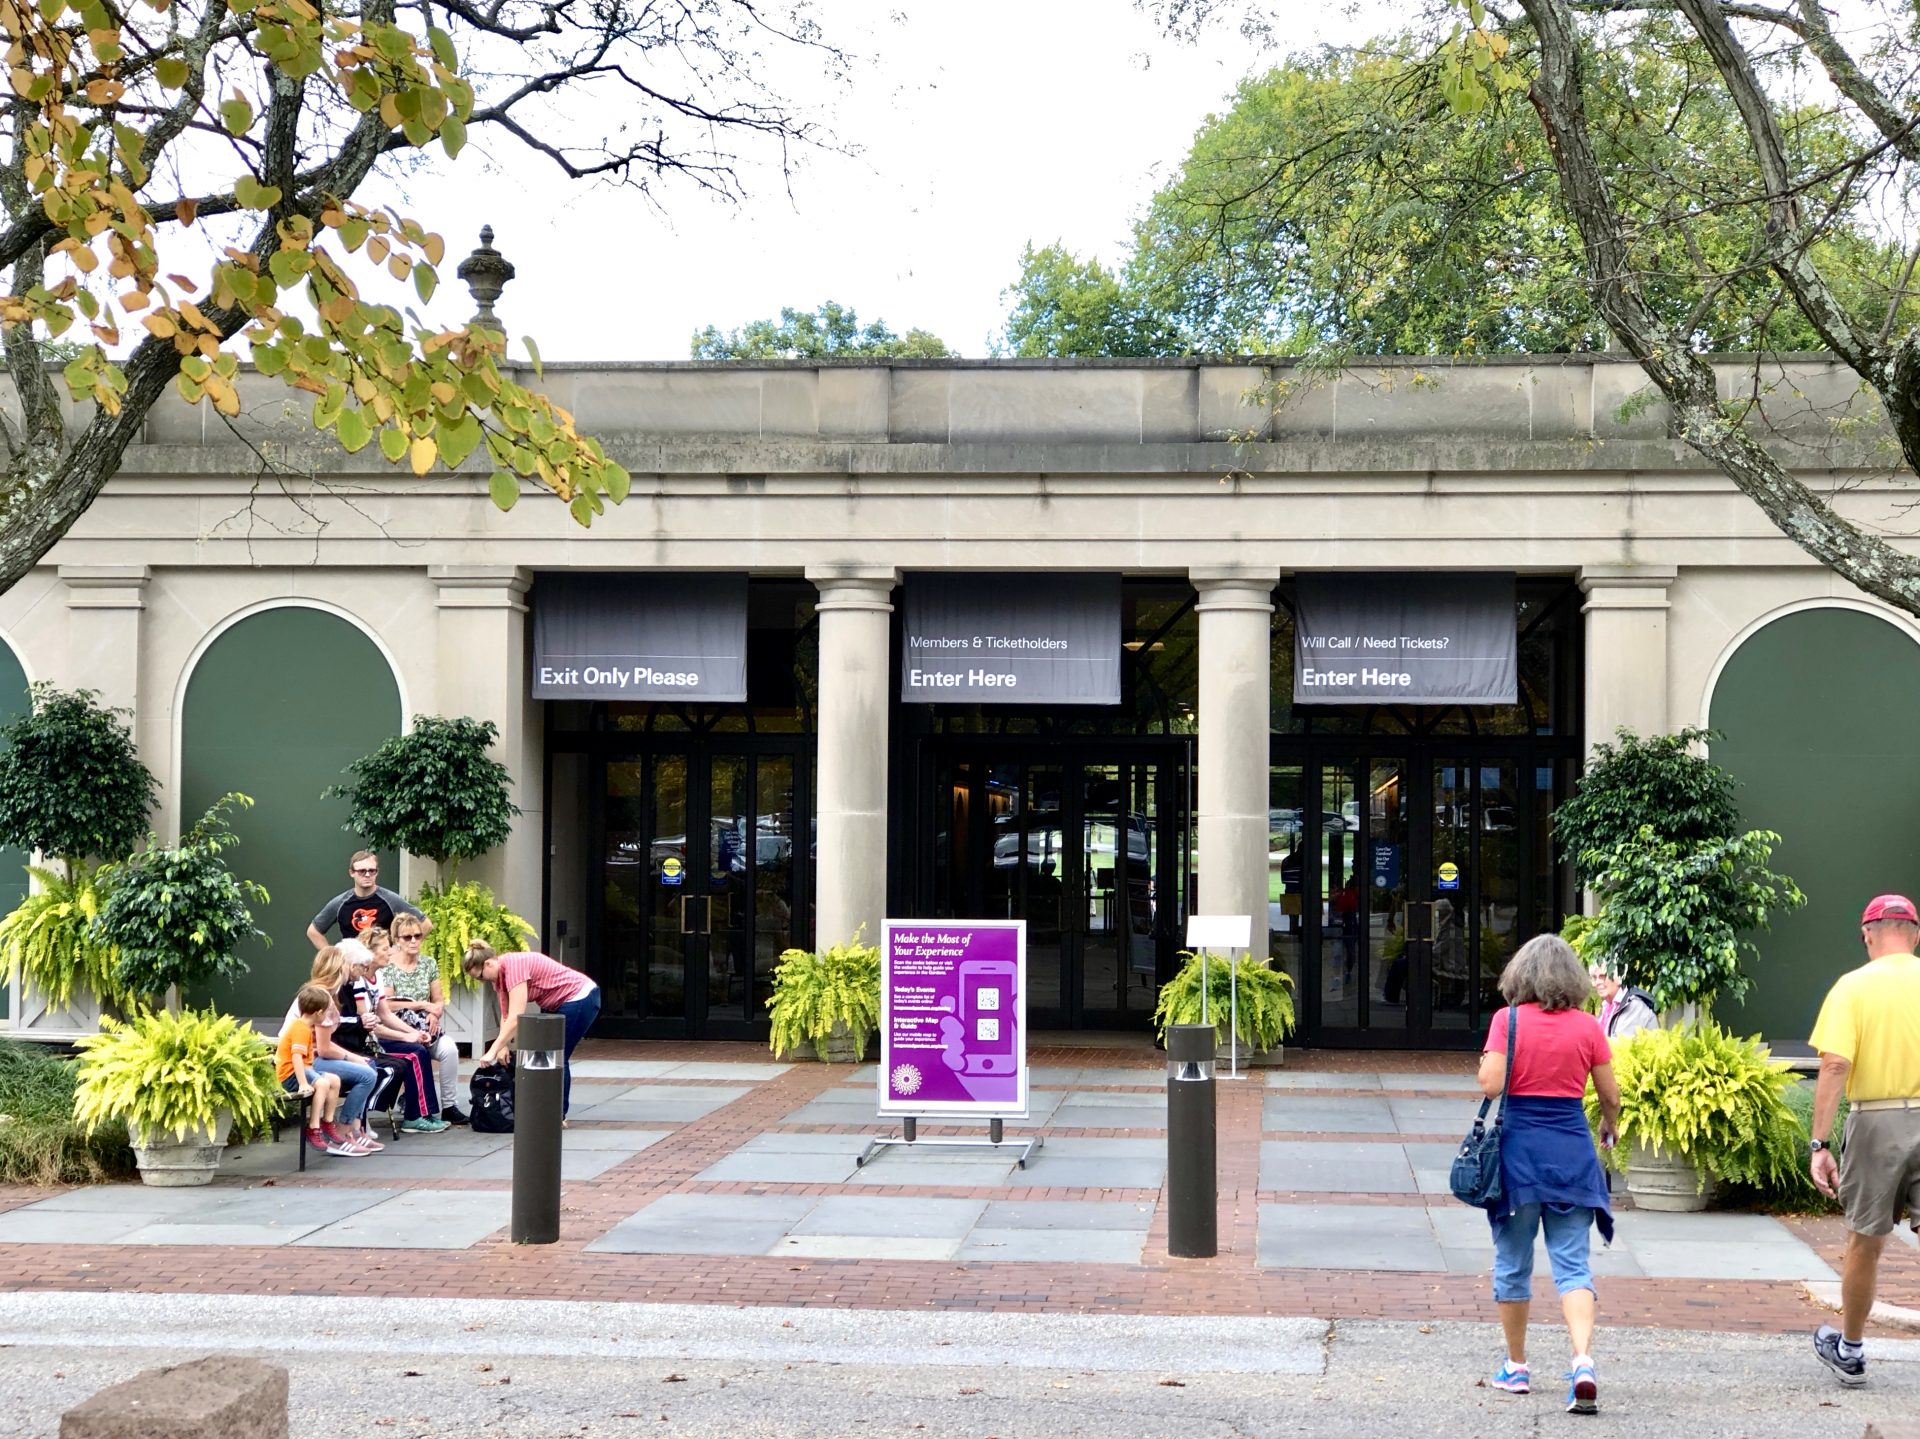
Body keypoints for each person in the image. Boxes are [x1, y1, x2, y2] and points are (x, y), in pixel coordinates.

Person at [1477, 933, 1621, 1416]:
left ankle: (1516, 1366)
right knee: (1573, 1265)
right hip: (1572, 1155)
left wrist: (1488, 1062)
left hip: (1519, 1156)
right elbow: (1610, 1095)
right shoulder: (1588, 1026)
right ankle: (1582, 1361)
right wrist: (1610, 1124)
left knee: (1513, 1260)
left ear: (1522, 974)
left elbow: (1492, 1085)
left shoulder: (1507, 1021)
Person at [1807, 892, 1920, 1387]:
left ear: (1867, 935)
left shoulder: (1852, 987)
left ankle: (1850, 1351)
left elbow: (1835, 1064)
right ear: (1915, 935)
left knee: (1865, 1240)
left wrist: (1819, 1144)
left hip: (1876, 1121)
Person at [465, 943, 601, 1118]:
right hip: (559, 1003)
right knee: (544, 1056)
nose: (482, 981)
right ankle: (546, 1111)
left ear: (488, 963)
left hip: (580, 998)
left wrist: (492, 1051)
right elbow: (506, 1013)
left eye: (480, 976)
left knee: (557, 1056)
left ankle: (557, 1116)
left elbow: (516, 1017)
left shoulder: (514, 967)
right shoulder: (499, 977)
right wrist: (503, 1046)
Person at [351, 928, 448, 1133]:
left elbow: (385, 1014)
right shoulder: (358, 980)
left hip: (376, 1037)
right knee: (415, 1053)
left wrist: (413, 1033)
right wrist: (407, 1036)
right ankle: (415, 1116)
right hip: (363, 1043)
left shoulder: (377, 977)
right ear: (370, 952)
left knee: (417, 1046)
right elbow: (371, 1027)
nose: (391, 953)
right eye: (386, 949)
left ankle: (425, 1113)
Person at [284, 947, 380, 1153]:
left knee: (368, 1066)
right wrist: (354, 1058)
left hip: (310, 1055)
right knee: (367, 1075)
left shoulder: (322, 993)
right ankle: (342, 1133)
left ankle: (355, 1129)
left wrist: (355, 1058)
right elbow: (325, 1049)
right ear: (339, 969)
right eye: (346, 964)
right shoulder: (322, 999)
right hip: (303, 1060)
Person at [375, 912, 467, 1124]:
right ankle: (415, 1102)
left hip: (426, 1026)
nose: (414, 941)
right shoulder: (388, 967)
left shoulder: (428, 964)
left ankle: (450, 1105)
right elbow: (387, 1005)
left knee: (450, 1050)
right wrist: (420, 1005)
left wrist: (434, 1013)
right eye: (407, 937)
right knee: (417, 1052)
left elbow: (439, 1000)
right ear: (397, 940)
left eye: (418, 936)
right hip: (397, 1029)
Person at [276, 983, 356, 1158]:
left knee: (334, 1080)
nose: (327, 1016)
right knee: (322, 1083)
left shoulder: (305, 1027)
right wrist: (304, 1083)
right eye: (327, 1012)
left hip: (302, 1070)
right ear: (318, 1012)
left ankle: (327, 1122)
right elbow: (296, 1057)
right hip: (290, 1075)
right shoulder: (300, 1029)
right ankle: (313, 1127)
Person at [307, 850, 430, 948]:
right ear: (351, 873)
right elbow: (313, 931)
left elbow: (425, 924)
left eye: (371, 871)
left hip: (384, 968)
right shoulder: (340, 903)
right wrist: (334, 957)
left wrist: (399, 950)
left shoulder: (390, 900)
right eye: (362, 871)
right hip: (352, 969)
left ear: (377, 872)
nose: (367, 875)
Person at [1591, 963, 1658, 1041]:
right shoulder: (1607, 1006)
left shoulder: (1633, 1004)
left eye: (1603, 976)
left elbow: (1618, 1045)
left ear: (1618, 977)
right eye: (1595, 978)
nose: (1597, 982)